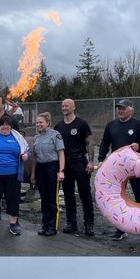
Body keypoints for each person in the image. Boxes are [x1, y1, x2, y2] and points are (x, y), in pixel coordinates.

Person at [97, 100, 140, 243]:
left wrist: (139, 146)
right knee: (119, 199)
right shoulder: (111, 125)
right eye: (119, 109)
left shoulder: (138, 125)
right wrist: (101, 159)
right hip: (117, 169)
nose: (120, 111)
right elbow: (104, 144)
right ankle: (121, 229)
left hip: (135, 167)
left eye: (123, 108)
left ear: (131, 110)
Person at [54, 97, 95, 235]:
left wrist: (90, 161)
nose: (64, 108)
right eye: (62, 106)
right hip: (66, 164)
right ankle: (71, 223)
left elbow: (90, 142)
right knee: (68, 194)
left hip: (80, 162)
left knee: (85, 194)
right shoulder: (58, 127)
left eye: (67, 106)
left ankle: (89, 223)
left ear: (73, 107)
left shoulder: (81, 124)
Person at [31, 113, 65, 236]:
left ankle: (52, 226)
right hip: (40, 168)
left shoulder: (55, 135)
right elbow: (35, 157)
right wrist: (33, 173)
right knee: (43, 198)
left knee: (52, 198)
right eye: (37, 122)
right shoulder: (36, 137)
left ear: (48, 123)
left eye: (41, 122)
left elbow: (61, 153)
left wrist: (61, 171)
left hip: (52, 167)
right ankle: (44, 225)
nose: (38, 125)